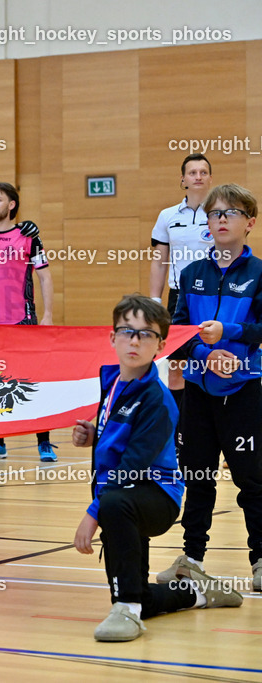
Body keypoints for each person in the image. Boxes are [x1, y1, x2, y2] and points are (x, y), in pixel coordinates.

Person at [72, 294, 241, 642]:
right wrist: (95, 434)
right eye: (127, 331)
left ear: (161, 344)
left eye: (146, 334)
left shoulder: (156, 398)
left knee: (115, 507)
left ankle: (128, 613)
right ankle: (196, 593)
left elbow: (133, 465)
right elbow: (121, 437)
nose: (135, 340)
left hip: (154, 497)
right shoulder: (113, 382)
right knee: (138, 593)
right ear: (112, 337)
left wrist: (93, 512)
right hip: (121, 495)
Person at [158, 183, 262, 593]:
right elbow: (176, 333)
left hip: (245, 392)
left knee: (252, 480)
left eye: (231, 212)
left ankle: (259, 561)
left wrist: (229, 334)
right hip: (198, 394)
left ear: (249, 223)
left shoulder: (259, 273)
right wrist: (206, 352)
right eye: (215, 213)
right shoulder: (190, 273)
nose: (221, 218)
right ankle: (192, 560)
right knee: (198, 477)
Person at [0, 182, 56, 461]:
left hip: (22, 320)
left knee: (32, 381)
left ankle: (44, 442)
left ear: (11, 205)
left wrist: (47, 316)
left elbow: (44, 276)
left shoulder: (29, 236)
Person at [149, 154, 214, 407]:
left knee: (213, 361)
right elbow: (158, 261)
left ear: (210, 178)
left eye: (203, 172)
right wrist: (155, 301)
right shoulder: (167, 216)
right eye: (192, 172)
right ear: (183, 179)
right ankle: (179, 436)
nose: (198, 177)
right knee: (177, 367)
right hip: (180, 300)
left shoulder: (221, 214)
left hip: (214, 298)